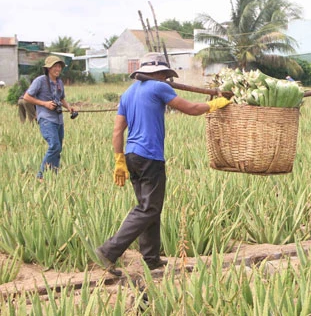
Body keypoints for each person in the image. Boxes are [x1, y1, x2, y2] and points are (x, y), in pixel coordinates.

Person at [94, 53, 231, 276]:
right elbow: (190, 109)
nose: (166, 79)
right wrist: (216, 104)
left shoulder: (127, 94)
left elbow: (118, 130)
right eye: (165, 75)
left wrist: (119, 160)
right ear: (158, 73)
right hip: (150, 156)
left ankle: (151, 259)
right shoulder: (158, 87)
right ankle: (109, 250)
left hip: (132, 156)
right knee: (149, 208)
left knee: (150, 207)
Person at [23, 56, 76, 180]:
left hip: (58, 119)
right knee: (54, 146)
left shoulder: (59, 82)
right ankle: (40, 175)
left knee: (58, 149)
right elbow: (26, 97)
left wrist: (69, 107)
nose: (57, 69)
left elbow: (61, 98)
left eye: (59, 66)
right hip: (46, 119)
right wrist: (45, 104)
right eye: (55, 66)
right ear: (48, 68)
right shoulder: (40, 81)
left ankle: (53, 175)